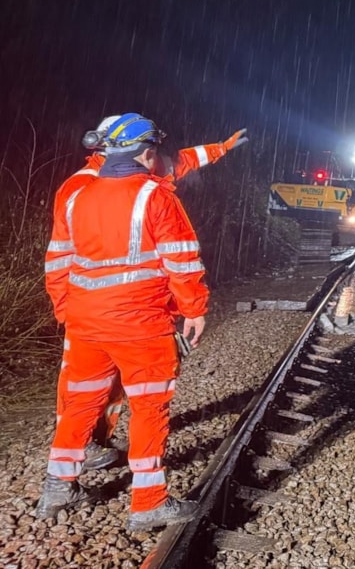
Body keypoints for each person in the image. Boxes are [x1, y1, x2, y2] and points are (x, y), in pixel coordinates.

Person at [36, 113, 211, 530]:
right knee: (149, 407)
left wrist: (67, 310)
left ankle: (58, 488)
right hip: (141, 324)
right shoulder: (156, 196)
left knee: (80, 404)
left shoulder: (77, 194)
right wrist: (195, 310)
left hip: (84, 323)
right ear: (147, 154)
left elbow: (57, 261)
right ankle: (148, 501)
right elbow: (183, 262)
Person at [45, 115, 247, 473]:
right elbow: (61, 259)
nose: (160, 162)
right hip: (120, 314)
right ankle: (100, 454)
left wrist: (221, 149)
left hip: (93, 311)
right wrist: (66, 312)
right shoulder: (91, 190)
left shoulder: (118, 177)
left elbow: (179, 161)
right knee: (118, 396)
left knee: (92, 390)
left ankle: (71, 467)